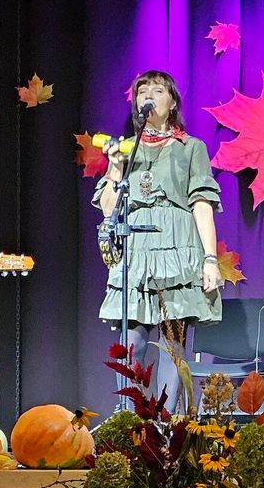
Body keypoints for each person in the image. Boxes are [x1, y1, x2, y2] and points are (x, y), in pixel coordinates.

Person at [95, 70, 222, 411]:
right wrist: (115, 169)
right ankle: (132, 420)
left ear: (172, 102)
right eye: (142, 91)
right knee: (131, 340)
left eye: (157, 90)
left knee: (172, 342)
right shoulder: (125, 149)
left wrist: (210, 259)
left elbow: (202, 204)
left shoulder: (191, 148)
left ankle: (166, 426)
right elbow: (108, 209)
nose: (148, 96)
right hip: (137, 252)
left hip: (177, 251)